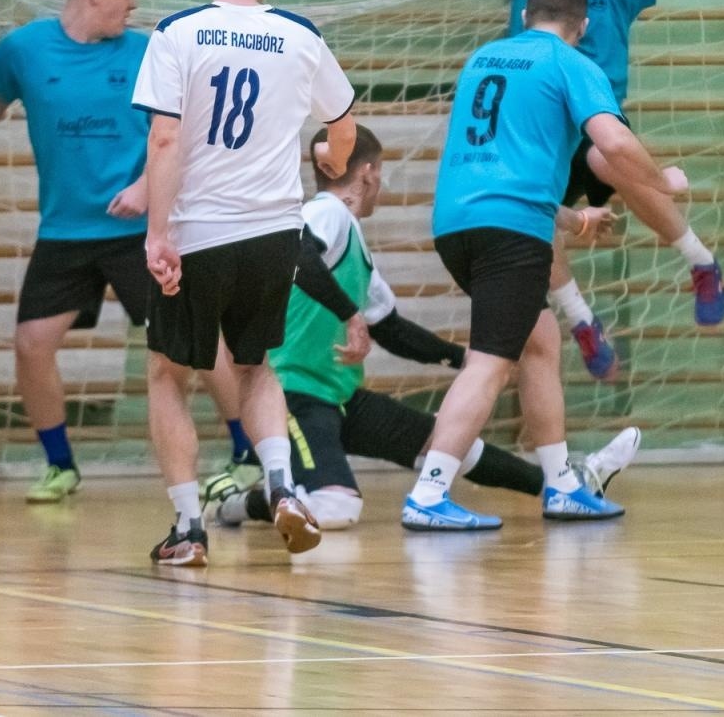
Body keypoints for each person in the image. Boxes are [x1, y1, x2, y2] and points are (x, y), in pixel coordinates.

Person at [209, 126, 641, 532]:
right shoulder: (325, 214)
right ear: (368, 172)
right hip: (295, 397)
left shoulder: (353, 243)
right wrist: (349, 314)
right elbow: (301, 256)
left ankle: (566, 483)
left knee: (450, 445)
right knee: (338, 506)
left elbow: (391, 329)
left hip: (340, 396)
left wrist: (464, 359)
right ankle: (246, 501)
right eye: (380, 173)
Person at [0, 0, 261, 503]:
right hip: (65, 232)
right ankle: (60, 465)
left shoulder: (147, 52)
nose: (135, 3)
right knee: (30, 343)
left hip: (139, 234)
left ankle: (248, 450)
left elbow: (187, 131)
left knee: (194, 341)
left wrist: (146, 187)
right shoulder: (23, 49)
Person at [403, 0, 684, 529]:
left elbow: (501, 170)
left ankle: (560, 485)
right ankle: (430, 492)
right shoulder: (570, 63)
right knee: (488, 364)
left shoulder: (484, 59)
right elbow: (616, 143)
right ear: (582, 26)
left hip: (457, 224)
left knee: (539, 341)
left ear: (526, 13)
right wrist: (663, 183)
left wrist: (575, 217)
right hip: (512, 235)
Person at [131, 0, 359, 567]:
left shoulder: (177, 33)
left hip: (201, 229)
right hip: (273, 231)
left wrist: (157, 233)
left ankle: (188, 527)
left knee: (167, 374)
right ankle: (284, 485)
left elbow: (165, 138)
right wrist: (335, 159)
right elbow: (343, 127)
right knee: (257, 364)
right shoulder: (298, 35)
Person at [503, 0, 724, 379]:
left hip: (598, 128)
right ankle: (581, 321)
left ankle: (701, 262)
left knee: (607, 156)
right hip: (536, 133)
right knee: (530, 221)